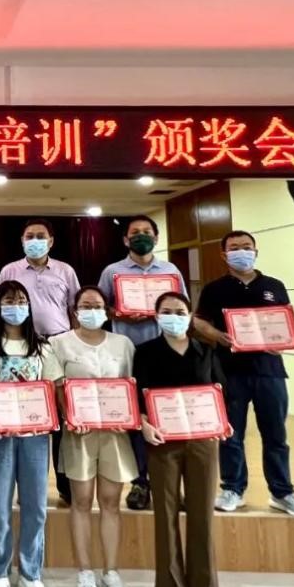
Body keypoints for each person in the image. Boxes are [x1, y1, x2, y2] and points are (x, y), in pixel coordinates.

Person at [193, 231, 294, 518]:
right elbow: (198, 321)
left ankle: (282, 492)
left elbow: (285, 321)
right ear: (224, 255)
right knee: (231, 434)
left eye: (246, 247)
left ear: (256, 251)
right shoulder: (214, 288)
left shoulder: (274, 286)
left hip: (270, 372)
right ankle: (233, 489)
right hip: (229, 371)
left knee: (276, 435)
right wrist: (217, 336)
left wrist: (283, 341)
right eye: (234, 248)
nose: (241, 252)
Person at [133, 292, 228, 587]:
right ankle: (171, 585)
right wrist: (144, 424)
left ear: (189, 317)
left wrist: (223, 423)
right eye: (166, 311)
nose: (173, 316)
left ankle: (205, 586)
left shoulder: (206, 350)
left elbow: (219, 391)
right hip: (162, 441)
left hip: (203, 440)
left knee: (202, 513)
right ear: (156, 316)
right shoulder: (145, 352)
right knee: (166, 511)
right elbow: (138, 395)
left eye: (179, 311)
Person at [0, 280, 60, 587]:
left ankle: (31, 573)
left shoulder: (43, 347)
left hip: (35, 437)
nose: (15, 306)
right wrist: (0, 416)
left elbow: (52, 387)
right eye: (8, 301)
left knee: (35, 506)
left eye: (21, 300)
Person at [50, 287, 135, 587]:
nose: (91, 311)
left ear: (107, 311)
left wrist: (127, 414)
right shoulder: (59, 343)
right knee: (81, 500)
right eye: (85, 305)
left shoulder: (123, 344)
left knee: (111, 502)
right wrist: (69, 414)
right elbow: (57, 388)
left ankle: (111, 572)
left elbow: (130, 386)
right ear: (74, 311)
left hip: (115, 433)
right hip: (79, 434)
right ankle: (85, 571)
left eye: (97, 305)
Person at [98, 214, 188, 511]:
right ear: (125, 239)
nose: (141, 236)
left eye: (147, 231)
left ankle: (172, 483)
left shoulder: (171, 270)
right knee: (137, 419)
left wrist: (162, 315)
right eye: (135, 232)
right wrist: (120, 313)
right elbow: (101, 308)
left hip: (166, 352)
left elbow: (183, 307)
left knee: (168, 415)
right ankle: (140, 482)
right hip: (128, 354)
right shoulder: (113, 271)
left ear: (156, 237)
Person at [0, 218, 80, 505]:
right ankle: (26, 488)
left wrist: (74, 343)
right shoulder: (10, 271)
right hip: (21, 346)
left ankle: (65, 487)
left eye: (40, 236)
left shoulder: (65, 271)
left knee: (60, 415)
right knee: (27, 416)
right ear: (22, 241)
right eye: (29, 236)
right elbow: (1, 307)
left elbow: (74, 310)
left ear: (51, 241)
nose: (35, 240)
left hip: (59, 344)